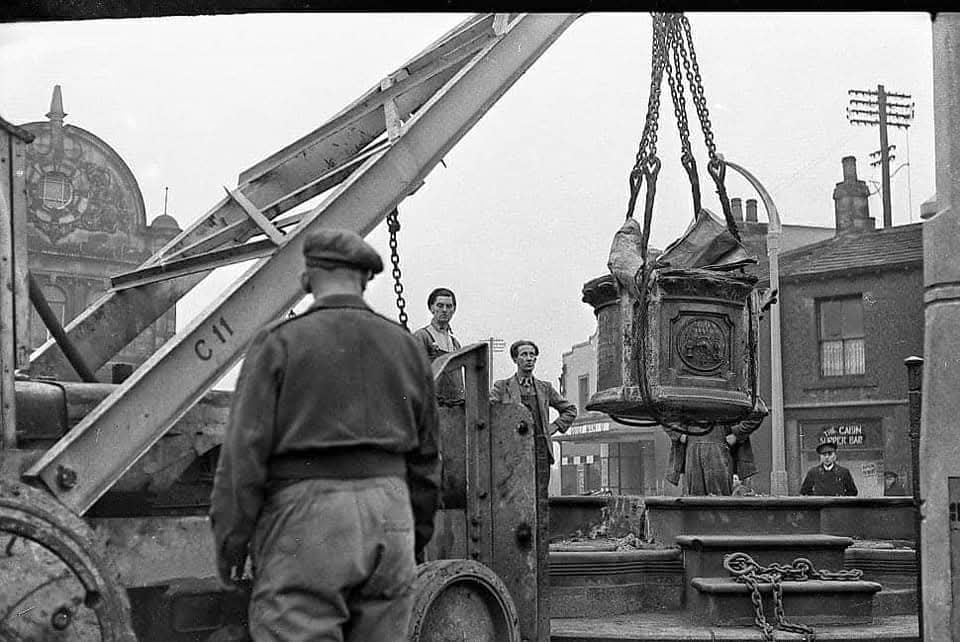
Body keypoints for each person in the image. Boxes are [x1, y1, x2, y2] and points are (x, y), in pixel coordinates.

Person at [209, 228, 441, 641]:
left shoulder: (279, 343)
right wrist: (414, 534)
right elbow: (427, 458)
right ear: (364, 279)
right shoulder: (406, 346)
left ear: (308, 277)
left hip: (309, 517)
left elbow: (243, 455)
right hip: (391, 517)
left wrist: (231, 540)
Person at [490, 340, 577, 472]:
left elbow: (570, 410)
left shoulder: (545, 388)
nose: (529, 358)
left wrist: (554, 426)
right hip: (514, 451)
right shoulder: (502, 387)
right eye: (524, 354)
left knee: (540, 485)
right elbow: (488, 410)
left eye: (532, 355)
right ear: (515, 359)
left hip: (540, 451)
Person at [665, 401, 765, 496]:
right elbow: (661, 409)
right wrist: (678, 434)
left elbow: (759, 410)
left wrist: (737, 434)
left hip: (716, 449)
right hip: (698, 448)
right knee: (702, 501)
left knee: (711, 500)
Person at [413, 287, 464, 405]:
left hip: (456, 406)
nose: (444, 310)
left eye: (449, 306)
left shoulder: (455, 343)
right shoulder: (423, 336)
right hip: (432, 405)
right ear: (432, 308)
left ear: (454, 309)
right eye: (440, 306)